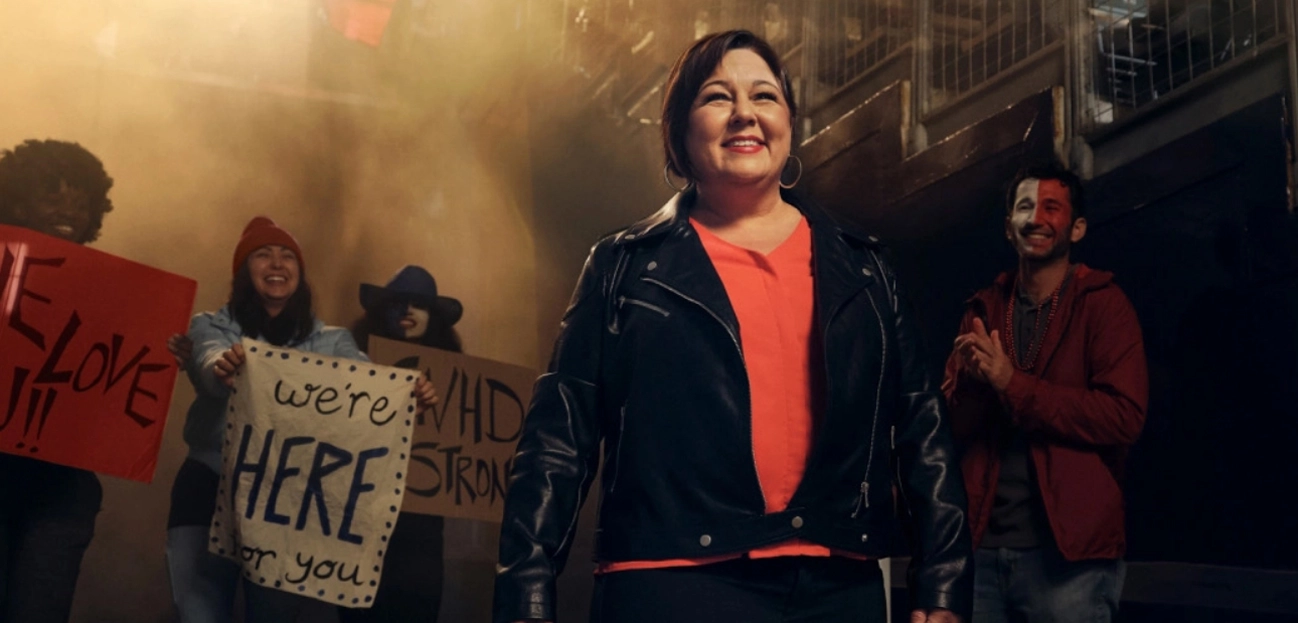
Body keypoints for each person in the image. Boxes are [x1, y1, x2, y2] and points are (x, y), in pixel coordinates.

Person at [494, 30, 972, 623]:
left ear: (789, 124)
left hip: (837, 586)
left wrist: (944, 583)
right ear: (680, 130)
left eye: (765, 96)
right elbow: (556, 443)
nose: (745, 112)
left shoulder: (865, 266)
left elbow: (923, 431)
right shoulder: (623, 266)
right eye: (718, 96)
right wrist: (525, 596)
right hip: (669, 583)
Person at [165, 217, 438, 623]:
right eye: (263, 254)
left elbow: (366, 385)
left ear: (300, 273)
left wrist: (407, 394)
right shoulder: (210, 325)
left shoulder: (333, 341)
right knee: (199, 613)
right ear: (244, 271)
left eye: (287, 255)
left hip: (281, 503)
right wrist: (225, 365)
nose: (277, 263)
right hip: (208, 488)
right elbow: (208, 366)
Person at [942, 163, 1147, 623]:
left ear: (1077, 229)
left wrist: (1012, 384)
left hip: (1068, 561)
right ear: (1008, 227)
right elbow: (949, 432)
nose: (1036, 218)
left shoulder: (1103, 304)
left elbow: (1124, 416)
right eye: (1025, 206)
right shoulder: (984, 307)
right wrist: (973, 387)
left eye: (1051, 207)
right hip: (980, 549)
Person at [0, 138, 115, 623]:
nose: (68, 208)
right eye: (52, 193)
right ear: (19, 199)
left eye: (80, 199)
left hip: (59, 490)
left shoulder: (114, 296)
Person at [339, 264, 464, 623]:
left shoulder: (457, 379)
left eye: (419, 305)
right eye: (399, 303)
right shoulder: (347, 363)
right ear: (382, 312)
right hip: (359, 523)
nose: (408, 311)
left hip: (421, 528)